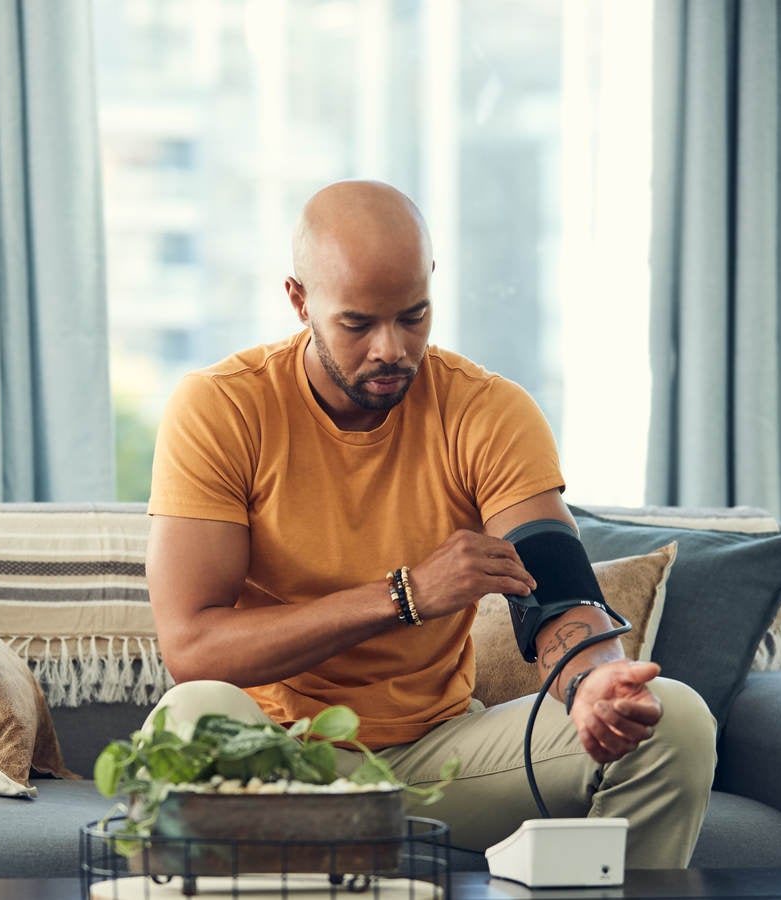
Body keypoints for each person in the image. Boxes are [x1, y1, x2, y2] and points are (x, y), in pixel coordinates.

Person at [144, 179, 715, 868]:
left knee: (674, 717)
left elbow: (559, 591)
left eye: (413, 315)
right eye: (358, 324)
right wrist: (405, 594)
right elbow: (193, 647)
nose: (391, 349)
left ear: (432, 284)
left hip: (441, 762)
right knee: (190, 717)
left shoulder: (486, 410)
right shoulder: (222, 408)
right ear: (300, 301)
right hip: (279, 758)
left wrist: (593, 678)